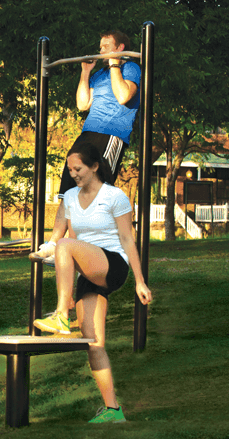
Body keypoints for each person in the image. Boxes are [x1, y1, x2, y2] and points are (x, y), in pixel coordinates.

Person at [31, 142, 152, 423]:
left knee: (65, 244)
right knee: (93, 343)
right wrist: (50, 259)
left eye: (79, 168)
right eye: (70, 170)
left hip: (113, 265)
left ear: (95, 166)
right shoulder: (70, 197)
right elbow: (65, 243)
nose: (73, 174)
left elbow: (126, 239)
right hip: (89, 272)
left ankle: (61, 315)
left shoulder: (114, 196)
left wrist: (140, 282)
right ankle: (113, 410)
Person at [30, 29, 141, 273]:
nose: (100, 50)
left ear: (120, 47)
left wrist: (114, 64)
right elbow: (82, 104)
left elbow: (123, 96)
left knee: (93, 190)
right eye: (100, 46)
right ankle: (53, 244)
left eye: (105, 46)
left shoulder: (130, 68)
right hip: (88, 132)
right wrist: (85, 72)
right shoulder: (99, 74)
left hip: (112, 134)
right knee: (68, 188)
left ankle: (88, 249)